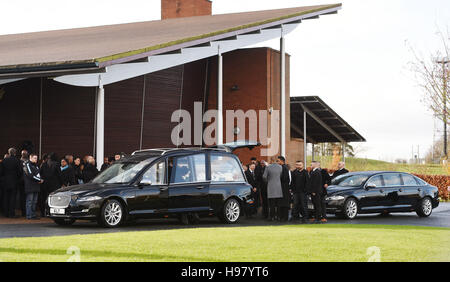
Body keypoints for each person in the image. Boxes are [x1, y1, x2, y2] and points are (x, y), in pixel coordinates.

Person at [1, 148, 22, 218]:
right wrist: (18, 178)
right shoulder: (17, 160)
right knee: (13, 198)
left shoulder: (4, 160)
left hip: (5, 181)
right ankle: (11, 213)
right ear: (15, 153)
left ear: (9, 153)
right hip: (14, 181)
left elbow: (1, 172)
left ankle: (6, 213)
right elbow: (20, 172)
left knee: (6, 197)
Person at [23, 154, 43, 220]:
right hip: (30, 186)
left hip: (36, 186)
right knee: (29, 201)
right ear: (30, 158)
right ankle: (29, 215)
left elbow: (38, 174)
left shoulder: (36, 165)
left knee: (34, 201)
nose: (36, 159)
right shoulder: (27, 164)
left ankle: (33, 214)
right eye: (34, 158)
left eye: (36, 158)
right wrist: (39, 180)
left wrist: (39, 179)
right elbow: (30, 175)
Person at [277, 156, 291, 222]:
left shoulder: (284, 168)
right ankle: (282, 217)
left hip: (284, 188)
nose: (277, 162)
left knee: (284, 203)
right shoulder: (283, 167)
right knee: (282, 203)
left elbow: (284, 178)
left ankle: (284, 217)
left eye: (278, 161)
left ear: (282, 161)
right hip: (283, 188)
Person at [18, 150, 28, 216]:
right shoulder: (19, 161)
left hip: (28, 181)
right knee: (22, 197)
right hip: (22, 181)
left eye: (25, 154)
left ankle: (27, 211)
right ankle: (23, 212)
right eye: (23, 154)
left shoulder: (29, 161)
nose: (24, 155)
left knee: (28, 197)